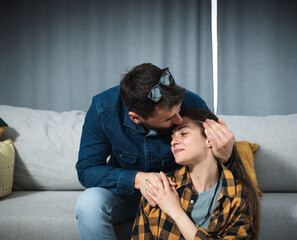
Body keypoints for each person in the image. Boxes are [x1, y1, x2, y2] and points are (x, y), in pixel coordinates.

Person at [75, 63, 235, 239]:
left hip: (180, 196)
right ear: (136, 118)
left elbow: (215, 164)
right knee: (89, 203)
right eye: (169, 118)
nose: (179, 119)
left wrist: (227, 154)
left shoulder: (193, 102)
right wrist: (138, 179)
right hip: (127, 196)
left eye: (179, 109)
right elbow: (86, 170)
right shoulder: (103, 109)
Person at [131, 108, 260, 240]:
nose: (173, 142)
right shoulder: (160, 187)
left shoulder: (238, 194)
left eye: (183, 133)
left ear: (209, 139)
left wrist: (175, 212)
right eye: (172, 136)